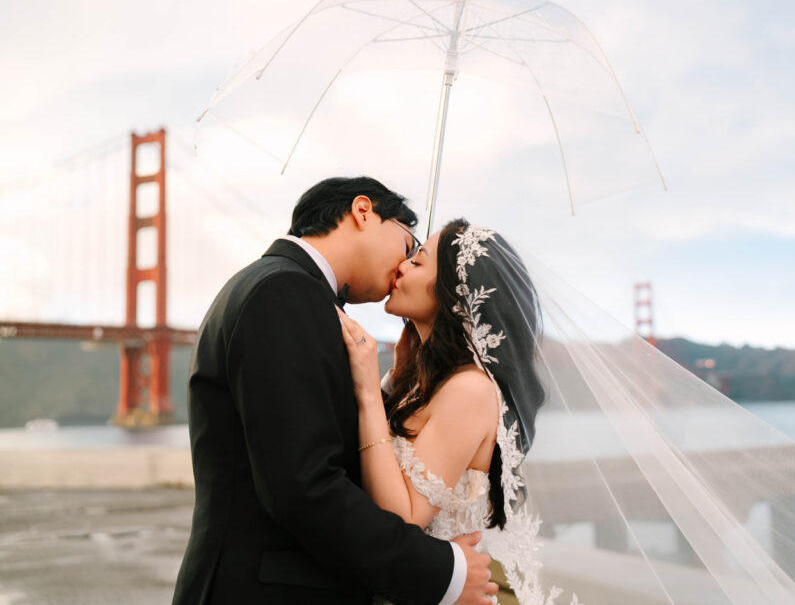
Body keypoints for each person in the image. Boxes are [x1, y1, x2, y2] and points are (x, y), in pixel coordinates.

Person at [172, 178, 497, 605]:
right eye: (407, 244)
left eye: (418, 258)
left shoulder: (281, 288)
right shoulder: (284, 292)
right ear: (363, 212)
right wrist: (442, 572)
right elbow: (304, 486)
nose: (404, 265)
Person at [338, 219, 550, 605]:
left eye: (418, 262)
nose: (401, 266)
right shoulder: (424, 382)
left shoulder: (470, 390)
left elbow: (403, 519)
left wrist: (368, 391)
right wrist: (397, 373)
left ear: (452, 294)